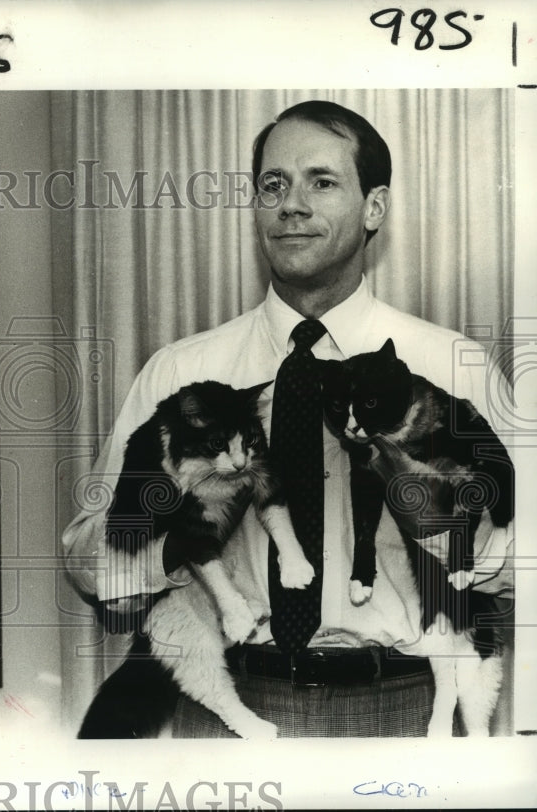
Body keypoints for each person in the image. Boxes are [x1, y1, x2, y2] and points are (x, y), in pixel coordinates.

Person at [62, 100, 514, 737]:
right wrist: (180, 534)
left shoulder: (454, 369)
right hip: (227, 711)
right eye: (273, 185)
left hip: (406, 715)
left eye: (321, 182)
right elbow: (87, 563)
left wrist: (441, 526)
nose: (290, 205)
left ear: (374, 207)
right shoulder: (179, 375)